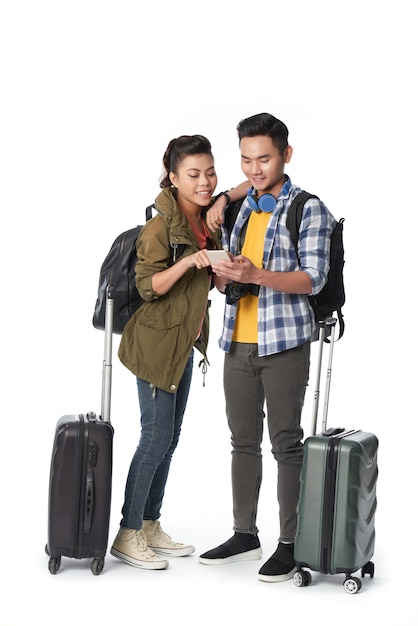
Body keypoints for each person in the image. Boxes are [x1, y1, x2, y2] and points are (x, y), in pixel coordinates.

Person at [199, 113, 336, 582]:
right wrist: (226, 273)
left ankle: (290, 543)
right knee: (241, 442)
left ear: (286, 156)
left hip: (284, 343)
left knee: (285, 445)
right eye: (245, 159)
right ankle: (244, 534)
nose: (254, 168)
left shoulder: (308, 208)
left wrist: (258, 275)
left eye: (264, 158)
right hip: (237, 340)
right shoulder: (244, 207)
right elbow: (225, 281)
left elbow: (312, 278)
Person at [111, 134, 248, 570]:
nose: (204, 181)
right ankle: (127, 533)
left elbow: (247, 185)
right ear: (173, 177)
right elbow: (147, 287)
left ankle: (150, 524)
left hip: (185, 344)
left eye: (210, 172)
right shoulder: (159, 227)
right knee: (153, 438)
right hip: (154, 346)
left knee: (168, 440)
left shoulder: (207, 222)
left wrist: (224, 203)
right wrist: (192, 261)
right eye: (193, 174)